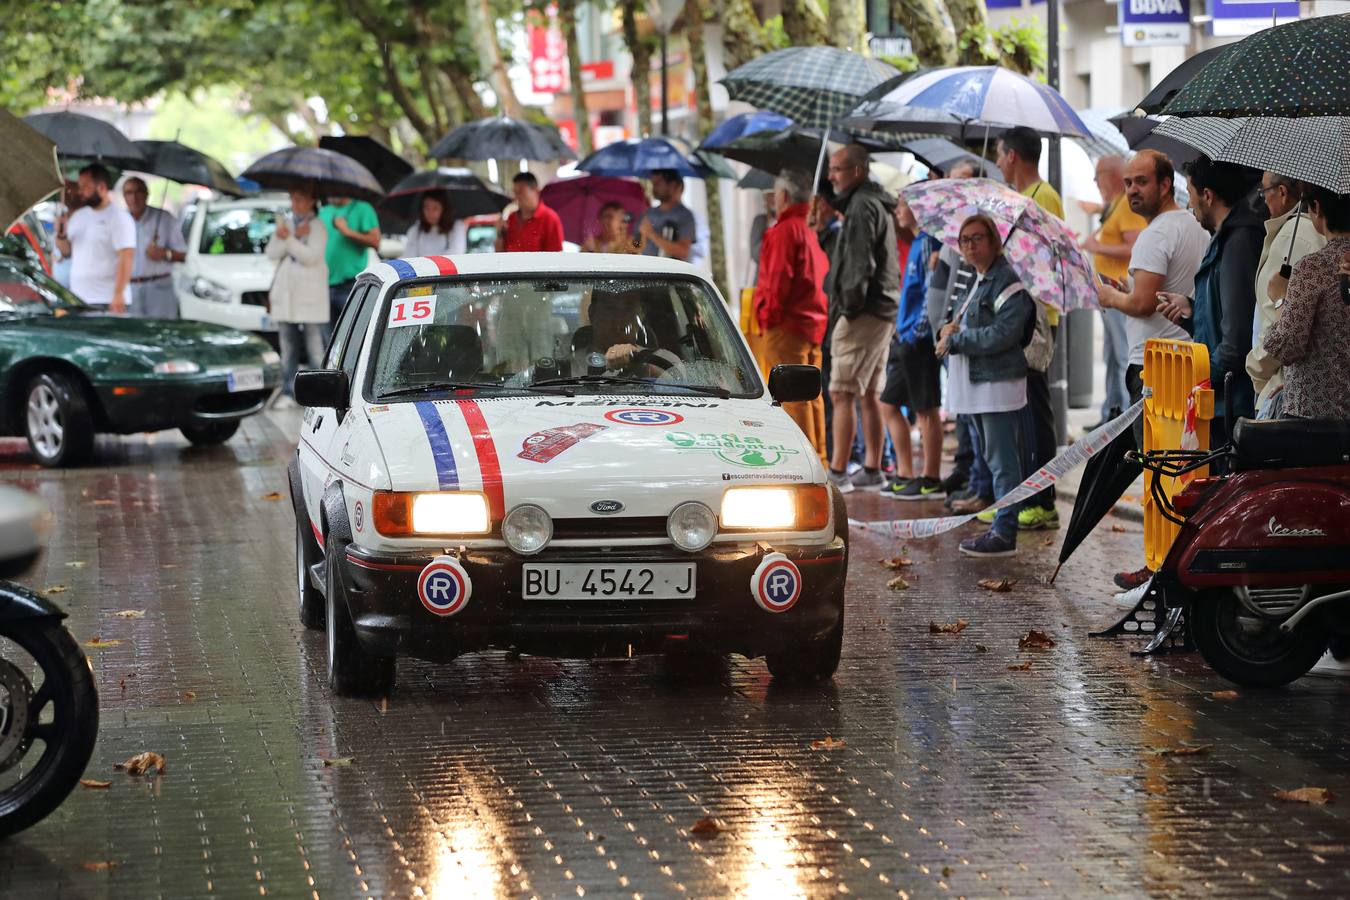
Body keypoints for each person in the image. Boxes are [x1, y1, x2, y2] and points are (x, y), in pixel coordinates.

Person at [1097, 149, 1209, 592]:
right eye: (1127, 183)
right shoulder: (1195, 227)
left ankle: (1160, 566)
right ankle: (1173, 563)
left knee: (1159, 472)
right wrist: (1132, 292)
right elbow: (1160, 294)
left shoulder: (1155, 235)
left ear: (1166, 184)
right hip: (1186, 361)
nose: (1131, 191)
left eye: (1140, 181)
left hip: (1154, 366)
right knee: (1181, 470)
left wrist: (1112, 299)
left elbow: (1143, 304)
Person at [937, 214, 1035, 558]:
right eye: (964, 240)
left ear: (994, 242)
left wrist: (959, 340)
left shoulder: (1007, 282)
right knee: (992, 457)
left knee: (1002, 460)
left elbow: (1003, 334)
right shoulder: (975, 281)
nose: (969, 245)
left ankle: (1005, 531)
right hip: (977, 386)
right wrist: (948, 331)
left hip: (997, 386)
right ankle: (999, 526)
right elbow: (962, 322)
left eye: (977, 238)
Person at [1157, 158, 1264, 438]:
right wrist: (1192, 313)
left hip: (1231, 403)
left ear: (1208, 195)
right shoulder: (1227, 238)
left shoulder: (1238, 242)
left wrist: (1195, 378)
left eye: (1191, 197)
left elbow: (1236, 341)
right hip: (1220, 400)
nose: (1190, 207)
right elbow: (1224, 317)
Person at [823, 144, 900, 495]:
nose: (830, 176)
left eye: (837, 169)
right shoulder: (869, 204)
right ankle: (871, 467)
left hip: (863, 310)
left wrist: (848, 307)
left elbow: (858, 264)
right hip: (879, 308)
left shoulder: (862, 207)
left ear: (856, 171)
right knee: (868, 392)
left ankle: (838, 470)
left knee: (841, 392)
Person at [996, 126, 1062, 532]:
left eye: (1002, 155)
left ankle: (1044, 501)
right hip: (1020, 317)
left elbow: (1050, 257)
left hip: (1037, 321)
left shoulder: (1044, 196)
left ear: (1014, 156)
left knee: (1036, 418)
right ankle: (1023, 495)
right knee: (1020, 416)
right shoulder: (1022, 198)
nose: (1000, 162)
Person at [753, 168, 830, 462]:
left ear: (783, 196)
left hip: (787, 324)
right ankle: (818, 456)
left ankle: (802, 460)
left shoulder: (785, 230)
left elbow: (777, 280)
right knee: (811, 395)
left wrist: (766, 318)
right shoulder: (809, 228)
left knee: (790, 395)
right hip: (812, 322)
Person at [1261, 186, 1350, 419]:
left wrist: (1281, 298)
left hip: (1318, 420)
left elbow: (1288, 346)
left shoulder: (1313, 268)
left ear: (1317, 208)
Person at [1246, 172, 1325, 417]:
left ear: (1281, 192)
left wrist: (1254, 367)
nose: (1263, 200)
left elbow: (1283, 331)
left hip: (1286, 390)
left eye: (1264, 192)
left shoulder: (1294, 237)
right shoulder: (1305, 234)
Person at [881, 198, 944, 500]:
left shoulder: (930, 242)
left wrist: (916, 334)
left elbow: (930, 295)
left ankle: (931, 477)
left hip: (915, 339)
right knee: (889, 404)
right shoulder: (919, 241)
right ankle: (905, 473)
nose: (897, 211)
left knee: (926, 408)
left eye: (902, 204)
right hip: (905, 336)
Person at [1081, 155, 1146, 429]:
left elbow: (1134, 247)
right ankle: (1112, 409)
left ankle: (1121, 418)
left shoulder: (1126, 207)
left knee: (1121, 354)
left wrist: (1097, 248)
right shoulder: (1116, 205)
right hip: (1110, 293)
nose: (1096, 183)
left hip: (1121, 292)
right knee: (1111, 354)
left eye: (1098, 176)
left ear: (1111, 176)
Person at [266, 185, 329, 407]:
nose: (296, 204)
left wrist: (290, 241)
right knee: (288, 348)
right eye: (293, 199)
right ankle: (287, 392)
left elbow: (310, 257)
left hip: (310, 297)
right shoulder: (289, 224)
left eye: (301, 199)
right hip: (286, 296)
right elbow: (272, 253)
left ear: (312, 201)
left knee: (314, 348)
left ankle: (318, 394)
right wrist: (286, 235)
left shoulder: (317, 226)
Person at [54, 163, 135, 313]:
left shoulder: (119, 218)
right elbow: (66, 252)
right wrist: (61, 234)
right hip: (78, 298)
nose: (81, 191)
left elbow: (127, 257)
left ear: (102, 188)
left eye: (86, 186)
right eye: (80, 186)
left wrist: (118, 294)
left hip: (106, 300)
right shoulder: (78, 216)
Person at [120, 177, 186, 318]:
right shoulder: (118, 221)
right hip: (128, 289)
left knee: (162, 332)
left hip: (159, 289)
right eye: (129, 193)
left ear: (146, 194)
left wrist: (165, 254)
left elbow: (184, 254)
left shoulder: (164, 218)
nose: (134, 198)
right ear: (124, 196)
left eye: (138, 192)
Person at [318, 194, 380, 335]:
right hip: (323, 286)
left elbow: (375, 241)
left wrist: (348, 232)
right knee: (328, 345)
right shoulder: (324, 212)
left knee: (354, 337)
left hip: (351, 286)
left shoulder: (362, 208)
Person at [497, 172, 564, 253]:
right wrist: (500, 233)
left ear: (535, 190)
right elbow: (500, 255)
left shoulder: (550, 218)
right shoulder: (511, 218)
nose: (517, 196)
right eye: (515, 192)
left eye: (521, 191)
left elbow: (555, 255)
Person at [638, 170, 696, 261]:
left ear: (672, 185)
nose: (654, 187)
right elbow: (636, 244)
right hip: (645, 270)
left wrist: (652, 235)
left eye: (657, 183)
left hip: (669, 273)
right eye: (653, 183)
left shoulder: (684, 215)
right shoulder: (649, 212)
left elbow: (683, 252)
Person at [403, 190, 467, 257]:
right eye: (426, 207)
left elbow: (457, 254)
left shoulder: (456, 227)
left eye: (435, 208)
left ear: (444, 209)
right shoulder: (416, 230)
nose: (430, 213)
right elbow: (409, 256)